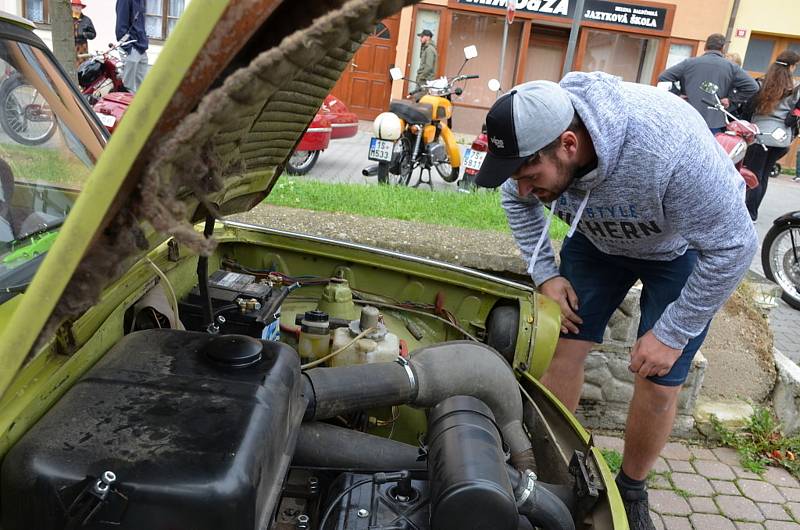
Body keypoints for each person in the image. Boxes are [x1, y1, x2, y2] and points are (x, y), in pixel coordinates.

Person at [474, 74, 757, 530]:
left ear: (568, 143)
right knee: (560, 346)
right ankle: (552, 471)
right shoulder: (535, 153)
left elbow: (736, 246)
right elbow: (516, 201)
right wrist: (547, 274)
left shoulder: (668, 152)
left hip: (674, 250)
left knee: (660, 378)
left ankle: (632, 486)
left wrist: (671, 333)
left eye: (530, 176)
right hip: (596, 243)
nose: (524, 188)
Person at [741, 50, 800, 220]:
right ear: (791, 66)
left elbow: (748, 108)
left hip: (760, 134)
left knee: (754, 174)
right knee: (764, 175)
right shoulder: (794, 88)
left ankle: (747, 212)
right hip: (780, 138)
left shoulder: (761, 83)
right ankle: (753, 213)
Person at [658, 33, 757, 132]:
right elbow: (753, 87)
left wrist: (677, 94)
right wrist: (731, 100)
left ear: (705, 46)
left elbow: (664, 77)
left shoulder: (689, 63)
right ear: (723, 48)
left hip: (687, 116)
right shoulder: (731, 67)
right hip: (713, 121)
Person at [115, 0, 149, 92]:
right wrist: (128, 48)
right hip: (131, 48)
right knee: (128, 88)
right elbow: (120, 27)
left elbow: (140, 24)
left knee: (142, 89)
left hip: (141, 48)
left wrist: (144, 42)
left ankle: (139, 106)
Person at [71, 0, 95, 68]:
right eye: (75, 5)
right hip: (70, 45)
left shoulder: (86, 20)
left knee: (82, 67)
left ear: (81, 7)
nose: (77, 7)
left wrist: (84, 34)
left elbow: (93, 34)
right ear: (71, 7)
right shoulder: (67, 19)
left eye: (78, 6)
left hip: (82, 47)